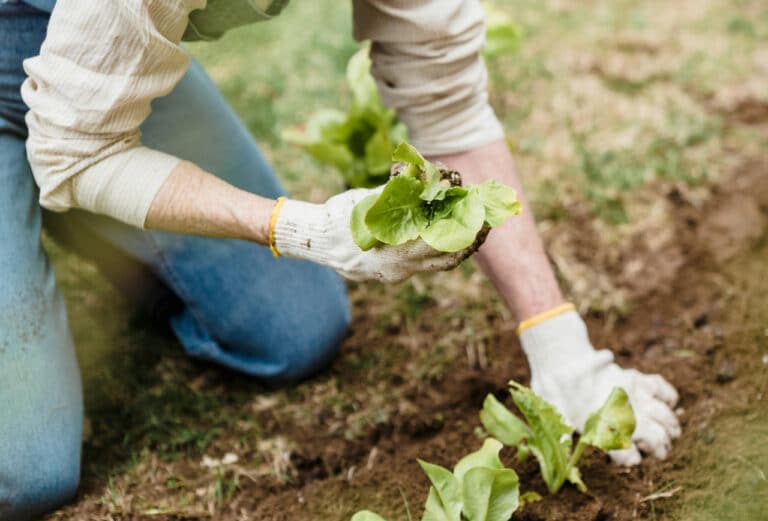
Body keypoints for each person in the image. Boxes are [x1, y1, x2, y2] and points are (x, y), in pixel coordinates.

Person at [0, 1, 681, 519]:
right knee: (28, 469)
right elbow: (77, 152)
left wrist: (558, 342)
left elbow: (449, 110)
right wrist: (293, 226)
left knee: (297, 329)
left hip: (96, 44)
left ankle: (82, 177)